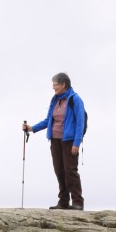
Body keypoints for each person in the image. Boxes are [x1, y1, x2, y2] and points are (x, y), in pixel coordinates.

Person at [23, 73, 85, 210]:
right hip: (55, 140)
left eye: (55, 85)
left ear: (63, 85)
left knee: (70, 171)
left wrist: (76, 143)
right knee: (59, 171)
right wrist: (32, 128)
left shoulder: (75, 100)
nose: (53, 87)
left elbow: (80, 123)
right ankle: (63, 201)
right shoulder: (55, 100)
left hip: (69, 141)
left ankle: (78, 202)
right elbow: (49, 120)